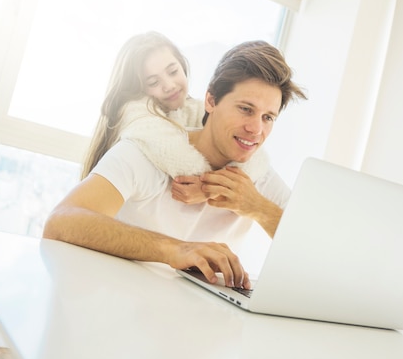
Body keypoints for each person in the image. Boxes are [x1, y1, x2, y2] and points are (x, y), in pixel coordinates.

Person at [43, 39, 307, 290]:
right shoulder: (147, 150)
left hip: (194, 323)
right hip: (117, 309)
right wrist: (175, 249)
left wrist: (257, 207)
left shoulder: (257, 177)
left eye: (268, 117)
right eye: (245, 109)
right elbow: (60, 222)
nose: (256, 129)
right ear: (211, 100)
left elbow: (310, 253)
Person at [82, 31, 269, 204]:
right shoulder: (138, 121)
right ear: (137, 90)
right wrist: (209, 188)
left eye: (173, 72)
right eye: (153, 82)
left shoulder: (194, 110)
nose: (169, 85)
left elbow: (255, 158)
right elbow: (181, 161)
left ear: (182, 65)